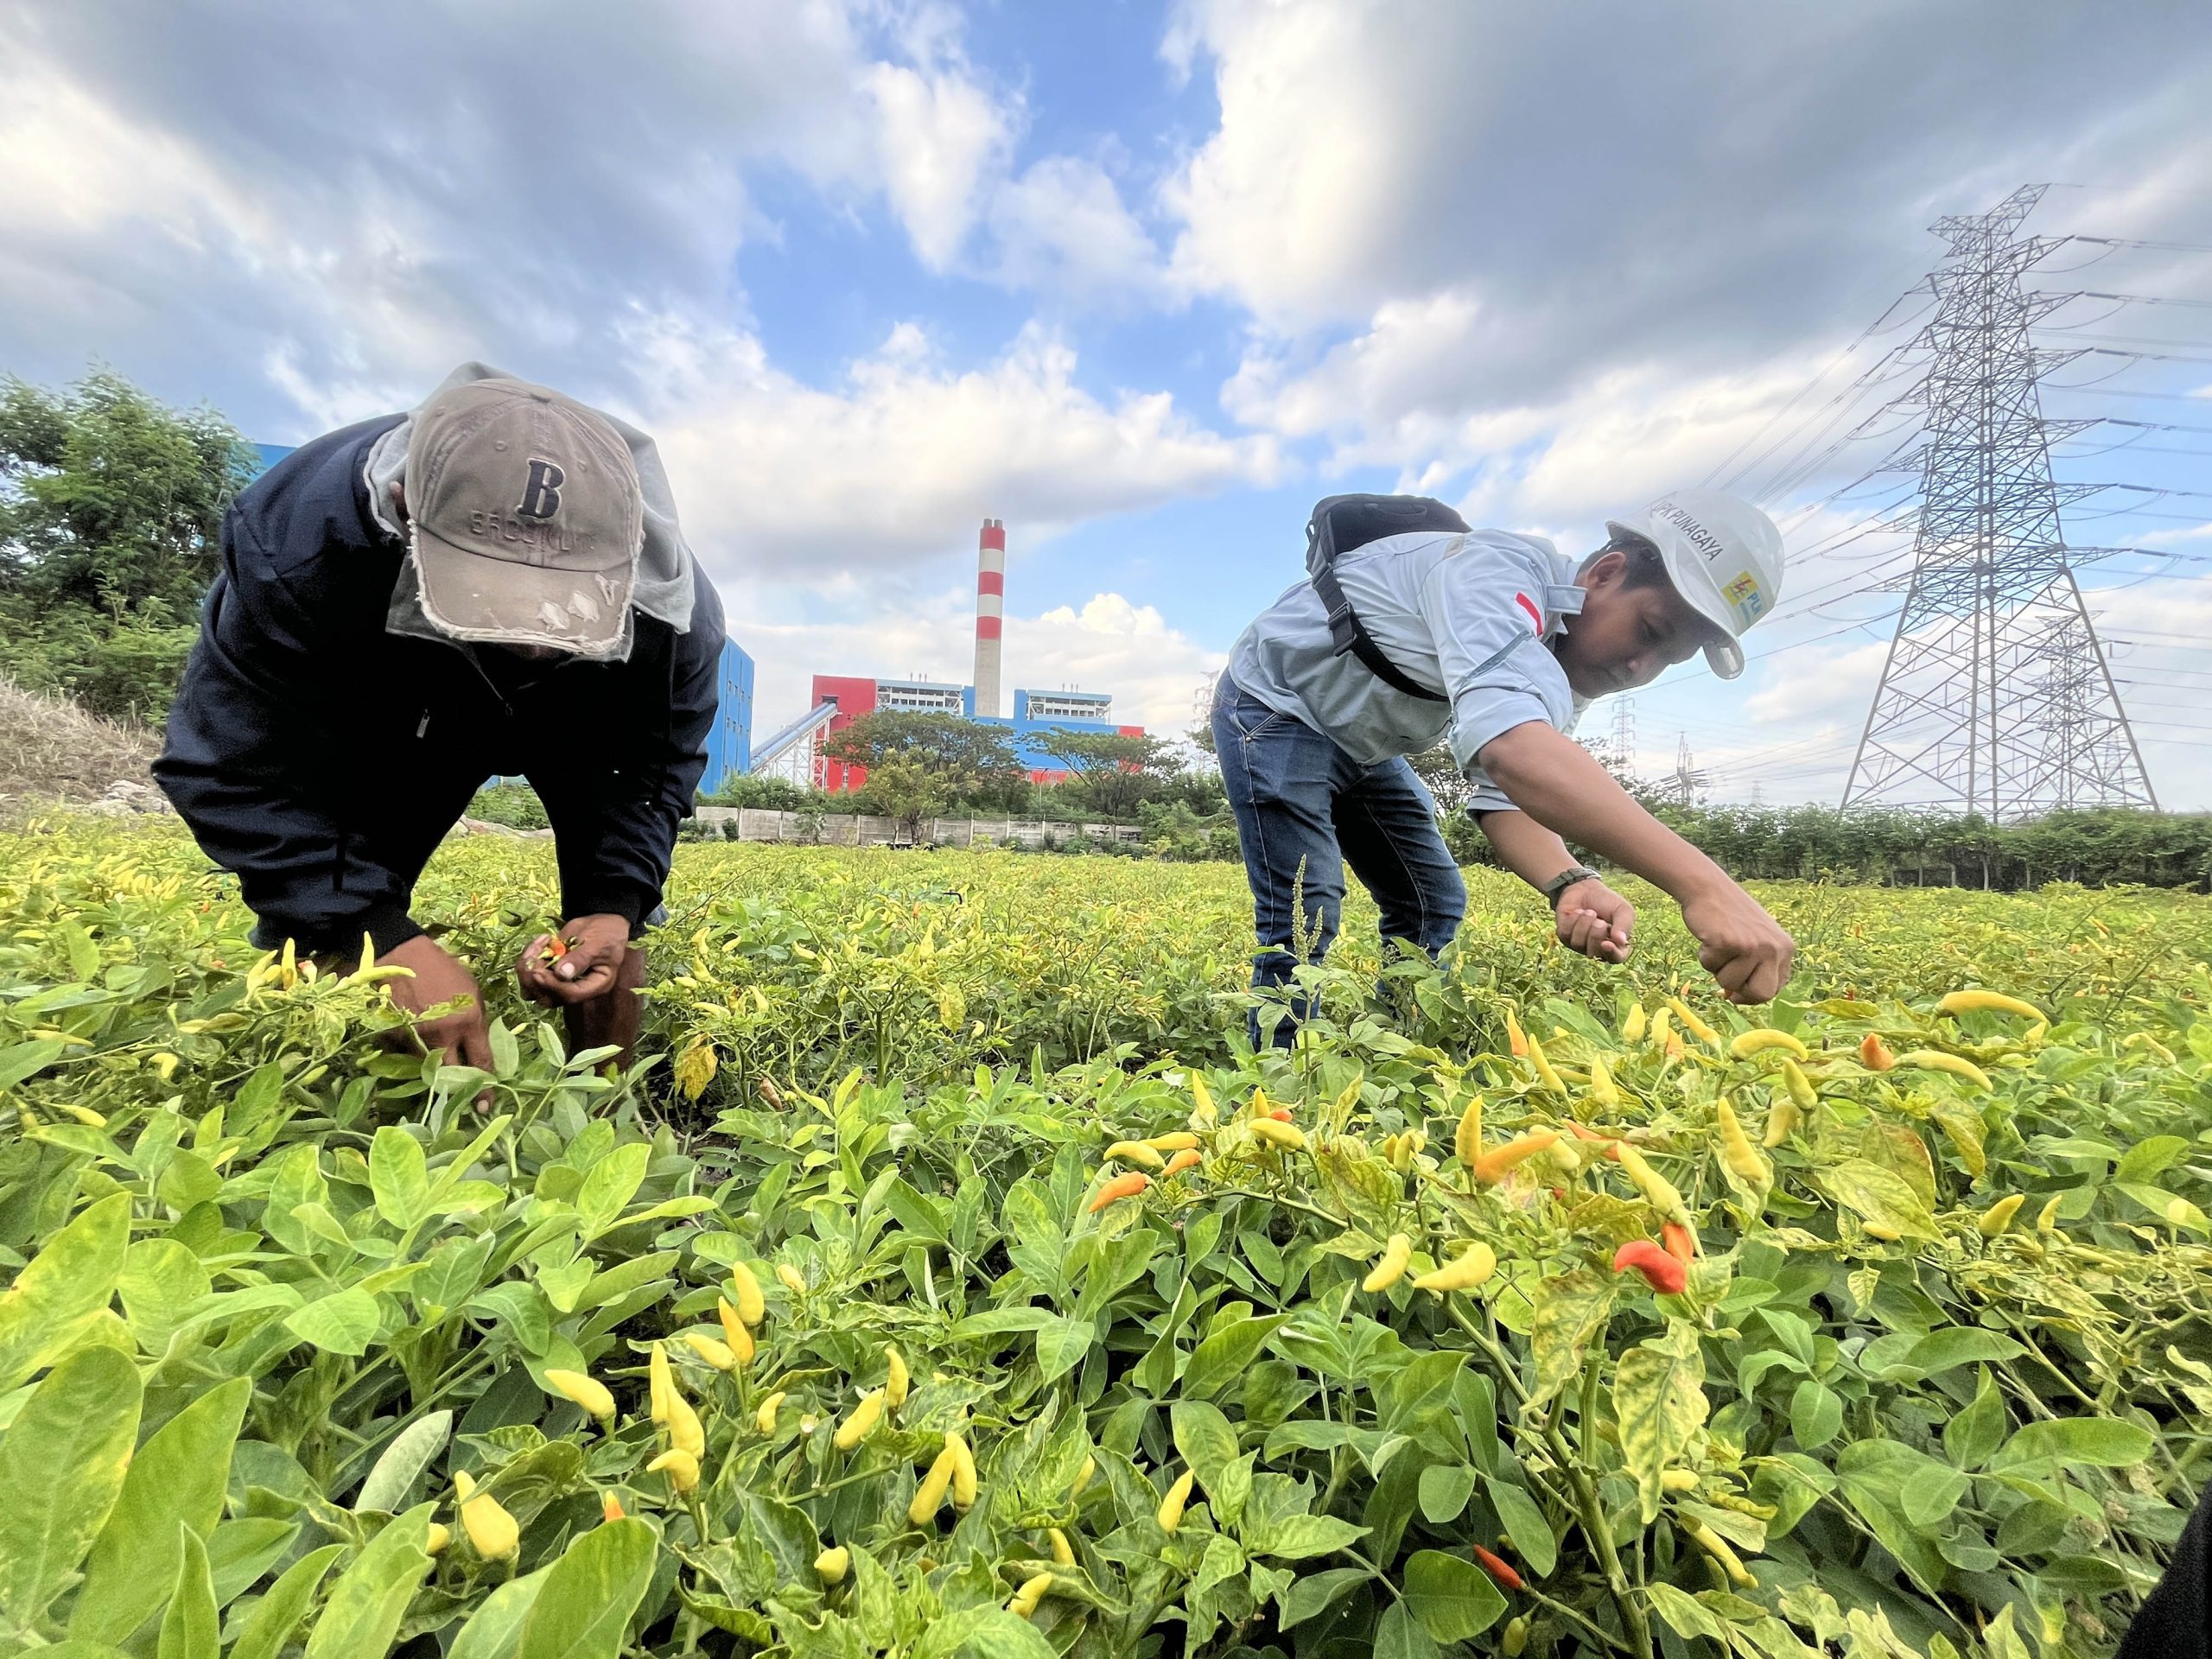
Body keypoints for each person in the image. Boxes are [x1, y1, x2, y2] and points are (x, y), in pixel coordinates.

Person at [156, 363, 725, 1075]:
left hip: (591, 714)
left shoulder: (676, 617)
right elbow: (230, 766)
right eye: (495, 592)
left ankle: (604, 1104)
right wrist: (380, 935)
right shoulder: (302, 550)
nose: (533, 640)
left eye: (563, 603)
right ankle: (365, 1099)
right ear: (404, 510)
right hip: (402, 704)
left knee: (616, 928)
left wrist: (613, 902)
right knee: (332, 927)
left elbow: (651, 772)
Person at [1214, 488, 1794, 1044]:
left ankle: (1391, 1042)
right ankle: (1278, 1075)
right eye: (1652, 631)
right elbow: (1512, 751)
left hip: (1363, 739)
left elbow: (1507, 794)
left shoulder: (1560, 661)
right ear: (1606, 573)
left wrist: (1569, 880)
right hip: (1277, 709)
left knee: (1431, 898)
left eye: (1668, 659)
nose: (1641, 668)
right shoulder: (1495, 574)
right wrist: (1706, 887)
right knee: (1304, 903)